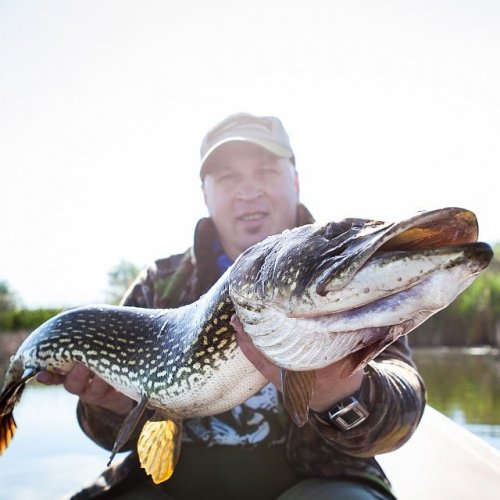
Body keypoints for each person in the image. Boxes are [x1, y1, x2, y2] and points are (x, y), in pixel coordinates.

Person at [37, 113, 426, 499]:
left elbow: (402, 416)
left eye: (267, 172)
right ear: (205, 193)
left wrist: (341, 393)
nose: (249, 192)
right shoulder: (160, 283)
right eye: (228, 177)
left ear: (295, 181)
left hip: (319, 480)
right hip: (172, 487)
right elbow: (110, 439)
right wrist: (113, 406)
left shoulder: (341, 273)